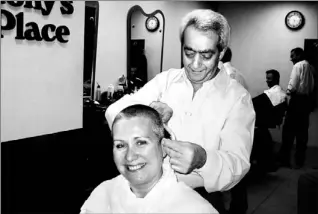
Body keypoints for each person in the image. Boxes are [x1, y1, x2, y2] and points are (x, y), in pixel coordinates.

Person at [106, 9, 255, 213]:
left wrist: (203, 159)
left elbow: (237, 164)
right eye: (189, 52)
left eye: (206, 55)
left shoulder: (237, 98)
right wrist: (148, 115)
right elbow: (114, 111)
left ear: (221, 52)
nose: (195, 64)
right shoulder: (166, 80)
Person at [80, 104, 218, 213]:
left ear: (164, 147)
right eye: (120, 145)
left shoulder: (194, 208)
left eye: (140, 143)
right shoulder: (104, 194)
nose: (129, 156)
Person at [278, 47, 315, 168]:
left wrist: (287, 94)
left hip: (297, 102)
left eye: (292, 55)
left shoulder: (298, 66)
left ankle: (284, 161)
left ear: (299, 56)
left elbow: (293, 86)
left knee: (288, 133)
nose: (291, 59)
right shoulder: (311, 67)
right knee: (302, 134)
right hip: (307, 102)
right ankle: (299, 162)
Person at [251, 69, 287, 175]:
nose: (267, 81)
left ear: (276, 79)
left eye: (269, 79)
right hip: (266, 119)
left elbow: (255, 102)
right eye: (266, 79)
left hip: (264, 119)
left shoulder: (274, 93)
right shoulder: (279, 92)